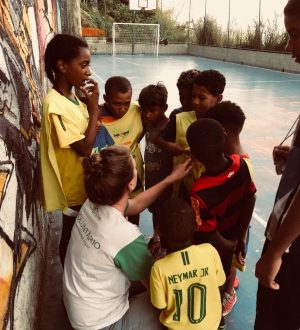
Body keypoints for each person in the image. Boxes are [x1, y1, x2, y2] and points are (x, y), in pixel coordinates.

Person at [63, 146, 192, 330]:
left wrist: (170, 179)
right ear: (131, 184)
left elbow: (136, 204)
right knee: (175, 306)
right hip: (100, 324)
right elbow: (157, 288)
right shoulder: (125, 236)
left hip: (81, 304)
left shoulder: (93, 201)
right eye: (134, 166)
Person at [255, 1, 300, 328]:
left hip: (292, 248)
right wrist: (292, 161)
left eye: (295, 35)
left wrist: (275, 252)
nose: (288, 46)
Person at [186, 119, 256, 328]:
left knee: (209, 286)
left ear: (194, 154)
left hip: (214, 249)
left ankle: (213, 320)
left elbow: (209, 233)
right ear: (224, 139)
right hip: (233, 238)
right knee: (222, 279)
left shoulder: (199, 192)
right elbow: (250, 198)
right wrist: (240, 238)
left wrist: (230, 246)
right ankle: (219, 321)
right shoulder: (241, 164)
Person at [40, 33, 99, 266]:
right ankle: (68, 282)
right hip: (74, 187)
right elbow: (84, 147)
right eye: (83, 65)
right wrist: (94, 110)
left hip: (85, 180)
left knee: (82, 236)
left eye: (89, 65)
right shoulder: (55, 104)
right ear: (62, 66)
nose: (88, 71)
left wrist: (88, 106)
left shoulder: (72, 97)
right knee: (72, 236)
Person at [150, 197, 226, 330]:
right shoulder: (209, 251)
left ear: (158, 231)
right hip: (211, 326)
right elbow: (220, 284)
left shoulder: (159, 268)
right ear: (196, 226)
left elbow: (159, 305)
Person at [205, 101, 250, 316]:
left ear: (223, 132)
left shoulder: (240, 164)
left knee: (231, 261)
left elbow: (249, 200)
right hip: (230, 226)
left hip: (234, 228)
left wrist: (240, 236)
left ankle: (228, 292)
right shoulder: (233, 160)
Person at [157, 70, 226, 200]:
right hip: (184, 187)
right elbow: (160, 140)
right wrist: (173, 147)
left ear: (218, 99)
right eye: (193, 96)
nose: (194, 102)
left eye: (201, 97)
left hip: (210, 191)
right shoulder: (179, 118)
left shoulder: (224, 123)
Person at [101, 76, 144, 225]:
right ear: (106, 98)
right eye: (117, 104)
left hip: (134, 176)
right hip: (112, 180)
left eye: (126, 103)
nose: (122, 109)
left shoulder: (137, 110)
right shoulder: (97, 117)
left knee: (134, 214)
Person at [138, 83, 172, 246]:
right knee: (154, 209)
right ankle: (156, 236)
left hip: (165, 182)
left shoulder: (169, 127)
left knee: (165, 212)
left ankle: (164, 240)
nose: (147, 114)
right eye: (144, 110)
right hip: (151, 178)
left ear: (164, 108)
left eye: (152, 111)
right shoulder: (148, 123)